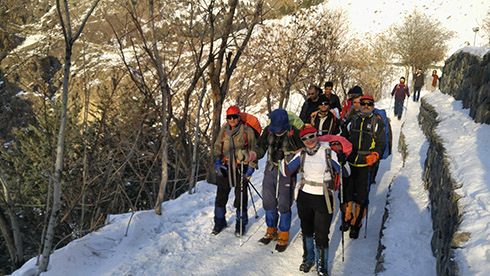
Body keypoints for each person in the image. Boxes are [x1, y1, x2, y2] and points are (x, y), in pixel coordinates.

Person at [281, 125, 349, 275]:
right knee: (306, 230)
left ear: (316, 134)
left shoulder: (328, 152)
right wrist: (286, 156)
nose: (309, 140)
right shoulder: (302, 154)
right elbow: (286, 171)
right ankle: (308, 258)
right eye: (304, 138)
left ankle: (322, 267)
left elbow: (346, 173)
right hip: (304, 196)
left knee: (322, 233)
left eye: (311, 136)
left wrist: (343, 160)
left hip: (323, 196)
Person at [246, 109, 304, 252]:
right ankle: (270, 231)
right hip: (271, 169)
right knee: (268, 202)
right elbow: (261, 147)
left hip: (287, 171)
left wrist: (288, 155)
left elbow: (303, 150)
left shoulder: (293, 132)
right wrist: (252, 155)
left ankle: (283, 235)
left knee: (284, 204)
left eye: (279, 129)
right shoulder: (269, 131)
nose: (277, 131)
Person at [341, 94, 385, 239]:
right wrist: (340, 150)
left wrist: (375, 155)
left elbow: (381, 143)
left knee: (361, 196)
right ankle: (347, 218)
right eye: (363, 103)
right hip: (350, 162)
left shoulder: (377, 123)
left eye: (369, 104)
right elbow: (344, 138)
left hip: (366, 164)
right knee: (347, 194)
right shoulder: (352, 120)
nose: (366, 106)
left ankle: (356, 223)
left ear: (373, 106)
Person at [212, 106, 258, 236]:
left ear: (239, 117)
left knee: (241, 197)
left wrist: (251, 167)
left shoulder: (247, 131)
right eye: (229, 117)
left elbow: (254, 150)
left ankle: (240, 224)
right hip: (225, 166)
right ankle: (219, 222)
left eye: (235, 117)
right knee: (221, 196)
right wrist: (217, 160)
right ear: (226, 119)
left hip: (241, 167)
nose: (232, 120)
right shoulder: (224, 130)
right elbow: (217, 146)